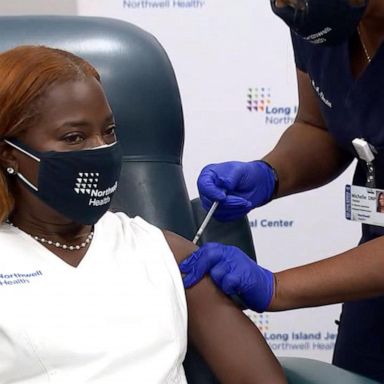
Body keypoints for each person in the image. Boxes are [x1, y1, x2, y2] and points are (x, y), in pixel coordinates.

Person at [0, 45, 287, 383]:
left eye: (109, 131)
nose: (101, 150)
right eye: (74, 137)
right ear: (9, 154)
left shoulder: (164, 252)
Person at [180, 0, 384, 382]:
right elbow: (318, 126)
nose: (289, 4)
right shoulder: (319, 16)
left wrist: (276, 288)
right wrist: (270, 173)